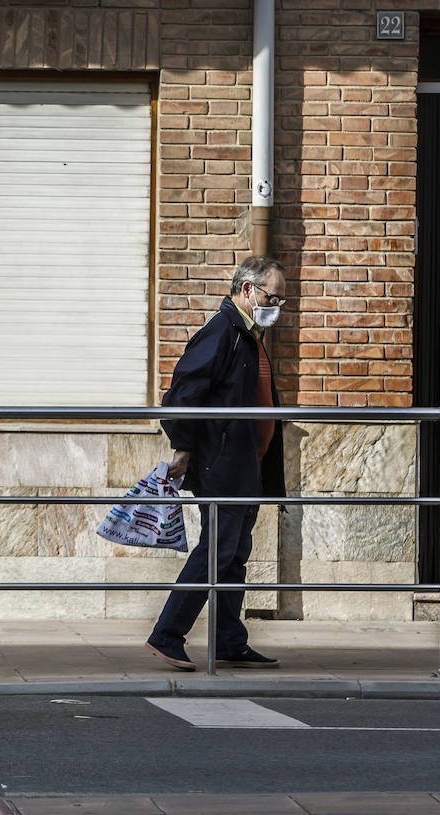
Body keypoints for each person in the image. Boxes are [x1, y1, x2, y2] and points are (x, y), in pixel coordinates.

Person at [145, 256, 288, 671]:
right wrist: (184, 448)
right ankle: (167, 634)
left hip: (247, 468)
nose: (276, 304)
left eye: (281, 298)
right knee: (216, 552)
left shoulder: (247, 334)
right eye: (271, 296)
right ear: (247, 290)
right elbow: (181, 397)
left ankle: (228, 639)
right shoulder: (221, 332)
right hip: (223, 468)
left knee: (234, 554)